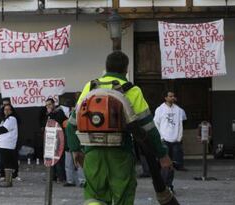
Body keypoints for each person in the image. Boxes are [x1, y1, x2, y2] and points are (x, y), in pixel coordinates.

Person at [66, 51, 172, 205]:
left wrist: (75, 150)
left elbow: (71, 124)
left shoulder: (90, 87)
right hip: (121, 154)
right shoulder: (132, 90)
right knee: (123, 195)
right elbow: (148, 127)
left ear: (106, 68)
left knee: (94, 196)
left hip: (92, 153)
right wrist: (162, 154)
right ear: (126, 70)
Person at [154, 91, 187, 193]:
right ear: (165, 97)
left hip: (175, 141)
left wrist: (179, 137)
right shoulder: (160, 109)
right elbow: (156, 124)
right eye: (170, 96)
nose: (172, 98)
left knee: (172, 165)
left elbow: (181, 124)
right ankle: (163, 186)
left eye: (173, 96)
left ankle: (169, 185)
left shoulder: (178, 110)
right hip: (164, 140)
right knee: (165, 164)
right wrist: (161, 138)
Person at [0, 104, 19, 187]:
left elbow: (3, 129)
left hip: (7, 144)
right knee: (5, 162)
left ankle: (8, 181)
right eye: (5, 109)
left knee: (7, 163)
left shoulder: (11, 119)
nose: (7, 111)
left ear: (11, 111)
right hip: (3, 144)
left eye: (9, 109)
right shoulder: (4, 120)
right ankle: (6, 179)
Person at [44, 98, 67, 184]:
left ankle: (61, 177)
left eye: (49, 104)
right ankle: (52, 176)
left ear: (54, 104)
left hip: (59, 139)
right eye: (46, 105)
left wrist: (50, 114)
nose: (48, 106)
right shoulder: (48, 114)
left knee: (59, 159)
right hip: (51, 139)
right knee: (51, 158)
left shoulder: (59, 112)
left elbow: (56, 122)